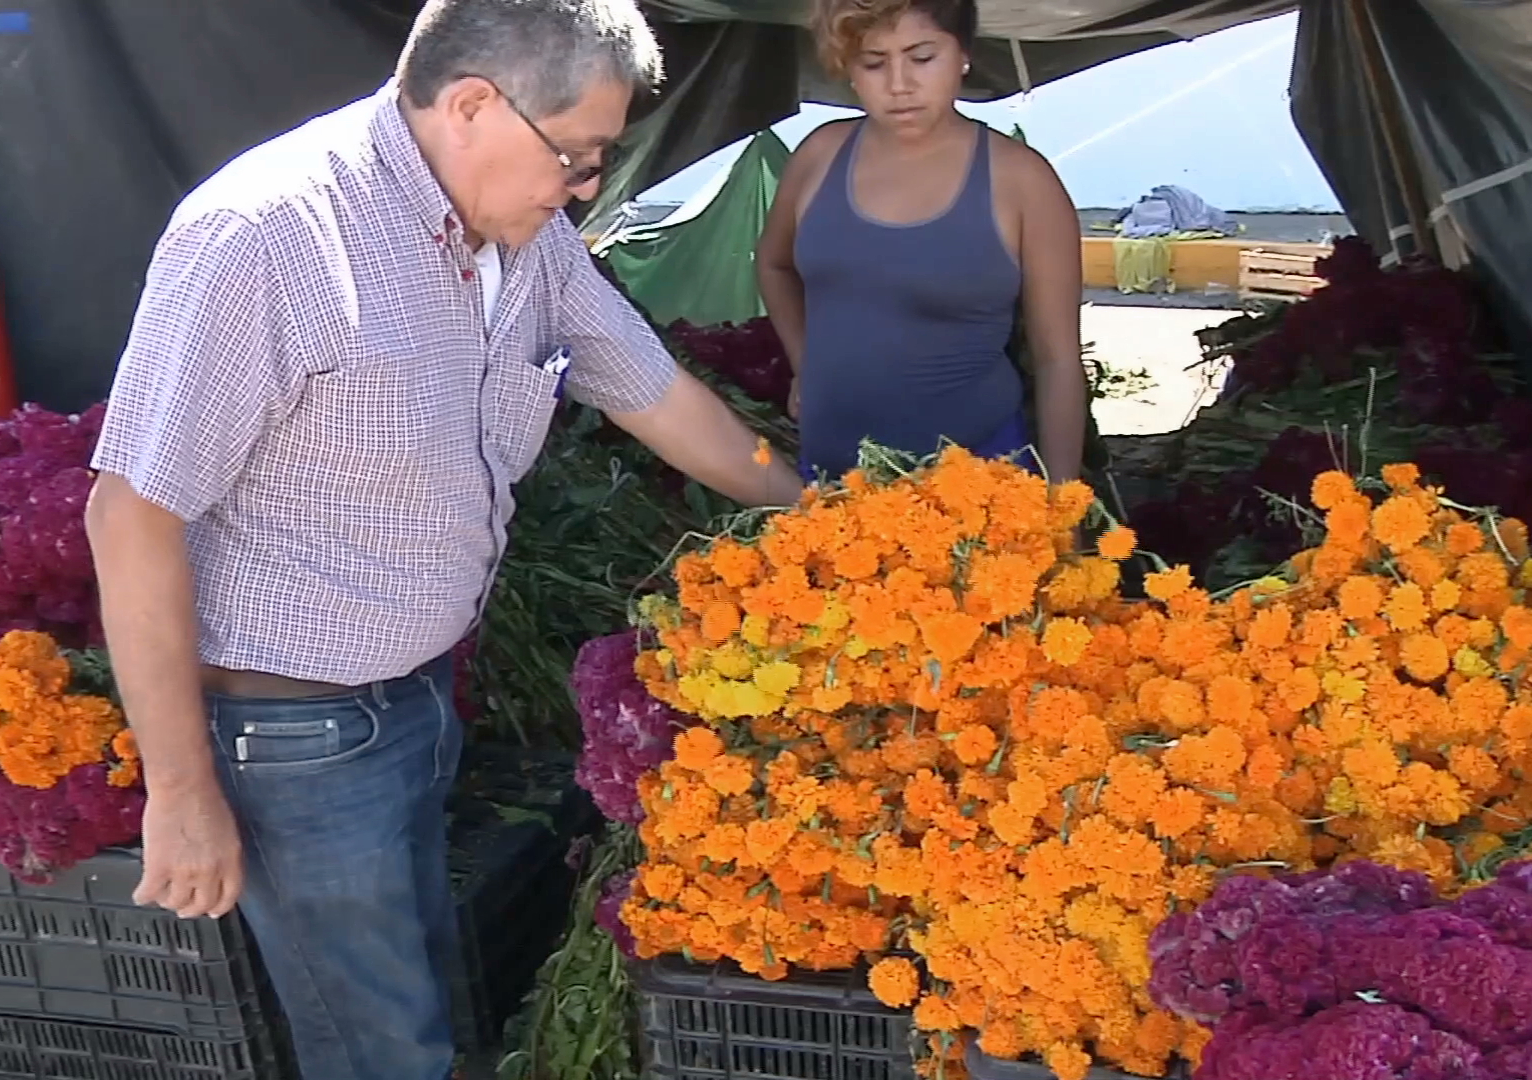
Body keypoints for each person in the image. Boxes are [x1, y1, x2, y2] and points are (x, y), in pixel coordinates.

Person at [82, 2, 801, 1078]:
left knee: (419, 998)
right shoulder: (273, 238)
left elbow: (656, 395)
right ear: (472, 106)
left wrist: (812, 510)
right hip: (294, 733)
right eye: (578, 155)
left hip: (416, 695)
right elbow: (129, 516)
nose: (587, 185)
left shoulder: (529, 238)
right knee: (381, 1046)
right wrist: (181, 796)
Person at [756, 0, 1087, 482]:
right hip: (831, 485)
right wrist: (805, 364)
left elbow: (1058, 360)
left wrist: (1063, 506)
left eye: (922, 57)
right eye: (873, 63)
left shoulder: (1023, 181)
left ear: (964, 55)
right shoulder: (819, 155)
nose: (899, 85)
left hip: (979, 493)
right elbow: (774, 264)